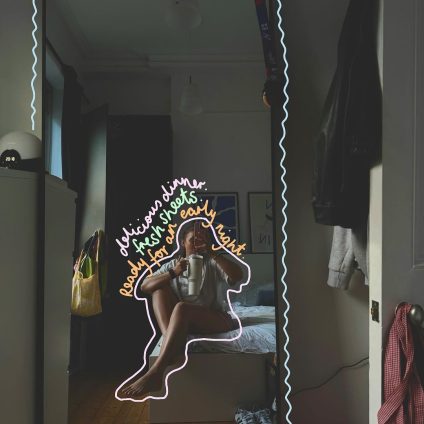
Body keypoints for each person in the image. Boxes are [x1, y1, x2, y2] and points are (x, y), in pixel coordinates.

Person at [121, 221, 243, 398]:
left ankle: (156, 371)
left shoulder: (212, 262)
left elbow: (238, 275)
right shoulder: (174, 265)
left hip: (215, 318)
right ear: (182, 243)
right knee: (159, 289)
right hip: (183, 321)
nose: (198, 243)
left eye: (203, 239)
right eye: (193, 240)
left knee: (182, 308)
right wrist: (173, 273)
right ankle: (171, 345)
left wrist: (212, 252)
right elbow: (144, 287)